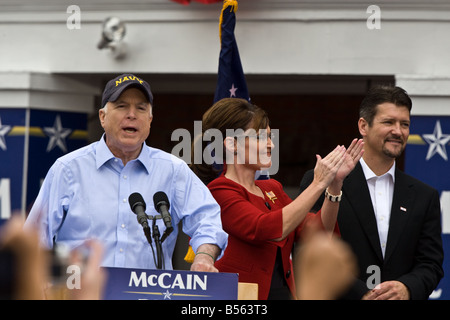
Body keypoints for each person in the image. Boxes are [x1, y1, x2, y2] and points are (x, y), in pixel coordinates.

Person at [24, 73, 228, 273]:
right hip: (81, 293)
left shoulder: (173, 170)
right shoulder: (68, 169)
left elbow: (207, 218)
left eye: (141, 108)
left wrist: (205, 258)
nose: (132, 114)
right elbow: (35, 235)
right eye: (122, 106)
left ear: (149, 120)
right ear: (102, 117)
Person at [190, 98, 364, 299]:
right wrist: (317, 183)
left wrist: (334, 186)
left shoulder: (272, 188)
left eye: (270, 137)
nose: (271, 144)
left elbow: (316, 231)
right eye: (260, 137)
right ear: (232, 144)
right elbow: (265, 229)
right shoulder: (219, 190)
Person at [299, 85, 444, 300]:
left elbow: (431, 264)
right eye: (389, 122)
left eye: (404, 124)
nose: (398, 131)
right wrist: (365, 294)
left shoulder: (425, 196)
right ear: (363, 126)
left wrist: (406, 288)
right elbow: (310, 251)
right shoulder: (322, 181)